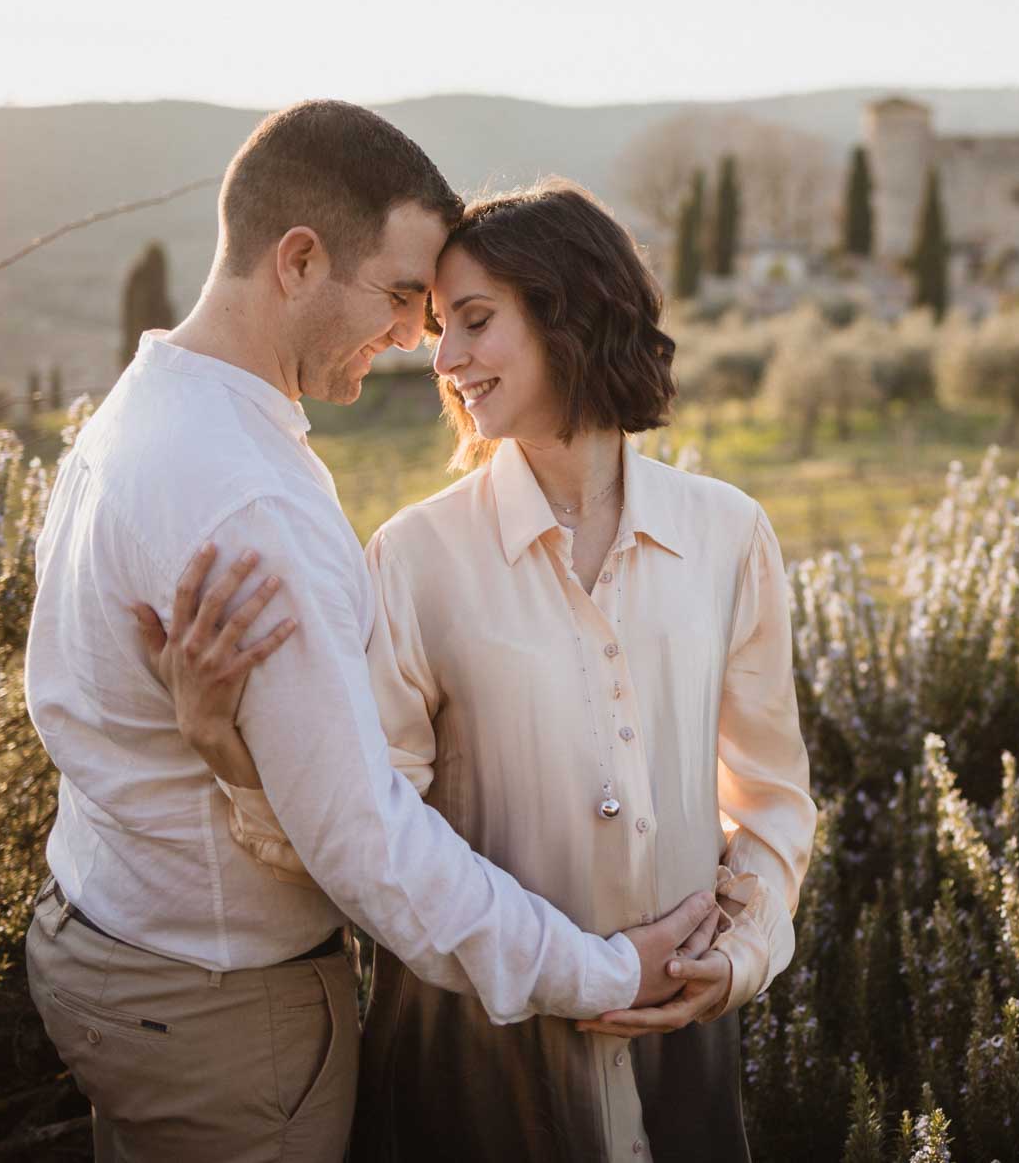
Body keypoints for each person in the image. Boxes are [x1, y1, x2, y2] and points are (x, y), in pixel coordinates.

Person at [23, 102, 719, 1163]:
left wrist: (220, 746)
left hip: (109, 946)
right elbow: (369, 846)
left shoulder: (143, 410)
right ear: (298, 260)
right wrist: (605, 974)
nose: (415, 341)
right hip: (221, 1006)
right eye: (401, 297)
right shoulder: (247, 502)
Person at [146, 179, 816, 1162]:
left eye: (472, 322)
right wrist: (222, 747)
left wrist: (743, 958)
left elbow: (769, 802)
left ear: (569, 310)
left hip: (685, 1070)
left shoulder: (727, 534)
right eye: (433, 327)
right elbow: (363, 835)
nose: (443, 360)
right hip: (470, 1080)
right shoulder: (413, 560)